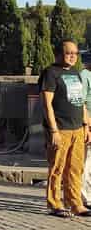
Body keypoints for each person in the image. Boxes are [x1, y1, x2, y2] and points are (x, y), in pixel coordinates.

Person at [39, 39, 91, 218]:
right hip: (60, 129)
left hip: (77, 128)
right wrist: (53, 130)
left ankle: (75, 203)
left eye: (75, 53)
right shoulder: (51, 73)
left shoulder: (76, 73)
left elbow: (81, 101)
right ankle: (54, 203)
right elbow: (47, 103)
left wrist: (86, 125)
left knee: (76, 168)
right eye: (68, 53)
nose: (72, 56)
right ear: (59, 54)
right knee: (57, 168)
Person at [80, 60, 91, 208]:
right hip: (88, 124)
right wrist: (86, 126)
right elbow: (80, 102)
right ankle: (85, 197)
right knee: (85, 162)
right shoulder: (84, 75)